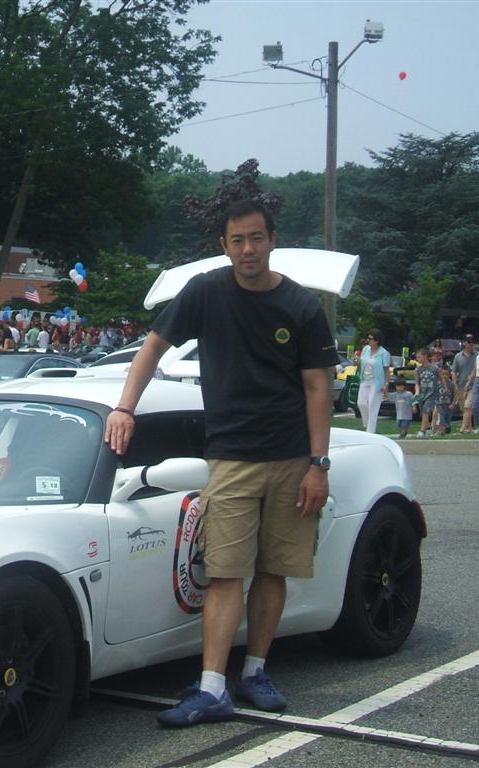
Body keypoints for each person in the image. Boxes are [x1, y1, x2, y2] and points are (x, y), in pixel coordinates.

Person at [104, 200, 336, 726]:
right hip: (231, 457)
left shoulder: (300, 306)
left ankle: (256, 672)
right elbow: (152, 348)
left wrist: (318, 464)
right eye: (237, 240)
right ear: (225, 246)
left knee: (273, 569)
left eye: (256, 238)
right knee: (226, 572)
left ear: (272, 240)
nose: (248, 249)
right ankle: (212, 688)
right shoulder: (206, 291)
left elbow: (317, 387)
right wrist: (124, 408)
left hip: (292, 458)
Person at [356, 329, 391, 434]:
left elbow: (386, 370)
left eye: (370, 339)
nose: (368, 340)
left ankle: (370, 431)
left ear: (377, 340)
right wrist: (357, 360)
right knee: (361, 403)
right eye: (368, 338)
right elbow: (361, 362)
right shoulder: (366, 349)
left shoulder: (384, 353)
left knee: (373, 405)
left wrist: (386, 384)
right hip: (364, 380)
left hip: (377, 382)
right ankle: (368, 425)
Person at [451, 334, 477, 433]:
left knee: (468, 406)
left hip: (474, 385)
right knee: (464, 409)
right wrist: (455, 384)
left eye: (472, 342)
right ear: (464, 343)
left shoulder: (478, 356)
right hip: (461, 385)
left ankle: (462, 427)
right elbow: (454, 371)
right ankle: (469, 428)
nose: (471, 344)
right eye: (469, 342)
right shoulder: (458, 356)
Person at [413, 348, 438, 438]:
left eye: (419, 357)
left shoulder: (434, 368)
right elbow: (417, 383)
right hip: (422, 393)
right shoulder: (417, 370)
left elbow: (440, 379)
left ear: (425, 356)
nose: (417, 359)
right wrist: (417, 391)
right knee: (422, 412)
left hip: (431, 393)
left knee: (425, 410)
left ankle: (422, 430)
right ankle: (428, 429)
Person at [433, 365, 456, 436]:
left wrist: (453, 403)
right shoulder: (438, 383)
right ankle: (440, 431)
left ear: (449, 375)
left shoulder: (451, 384)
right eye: (443, 374)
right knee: (441, 417)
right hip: (440, 404)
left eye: (446, 374)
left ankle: (446, 428)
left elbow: (455, 394)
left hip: (448, 405)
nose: (444, 376)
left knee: (447, 419)